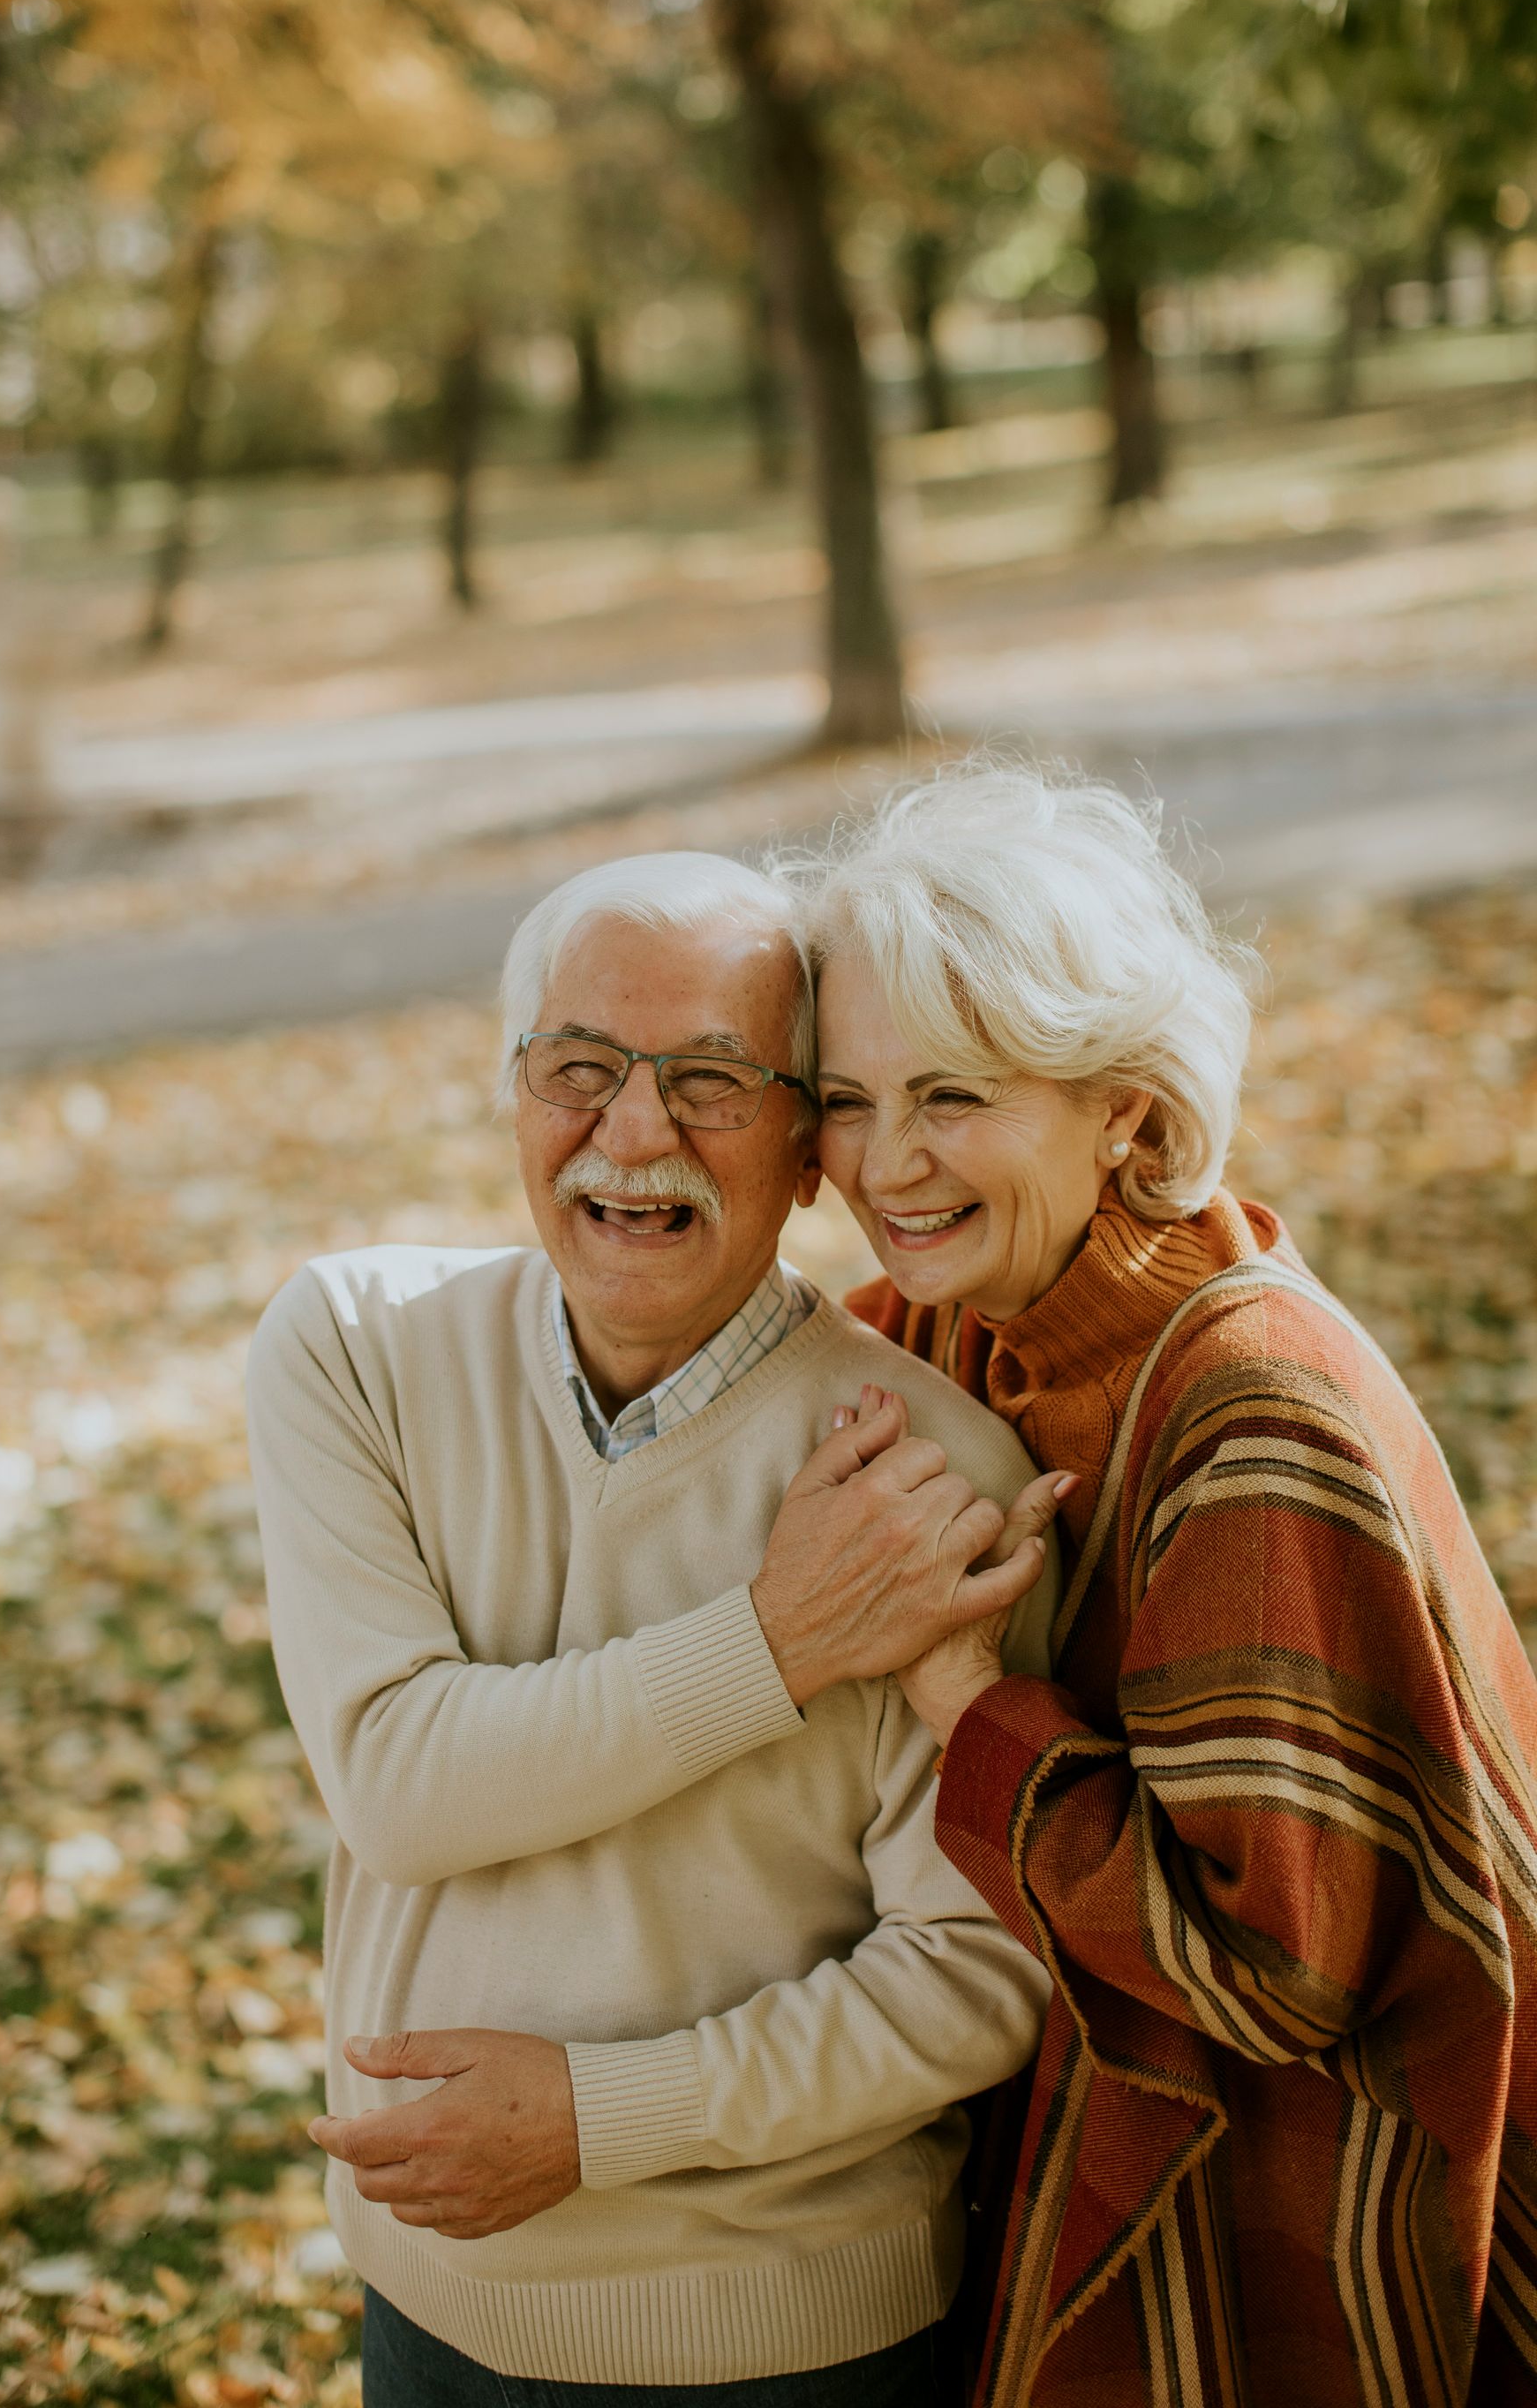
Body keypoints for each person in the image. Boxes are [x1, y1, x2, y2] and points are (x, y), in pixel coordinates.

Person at [246, 851, 1061, 2408]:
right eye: (581, 1069)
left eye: (710, 1079)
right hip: (427, 2297)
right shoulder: (355, 1351)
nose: (635, 1133)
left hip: (791, 2337)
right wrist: (773, 1642)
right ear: (513, 1094)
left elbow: (977, 1975)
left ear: (809, 1148)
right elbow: (400, 1789)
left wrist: (598, 2118)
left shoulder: (925, 1483)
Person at [797, 754, 1537, 2408]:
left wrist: (963, 1698)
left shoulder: (1251, 1411)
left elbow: (1279, 1971)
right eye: (849, 1100)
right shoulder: (958, 1325)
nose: (886, 1165)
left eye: (955, 1096)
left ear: (1122, 1105)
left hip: (1311, 2197)